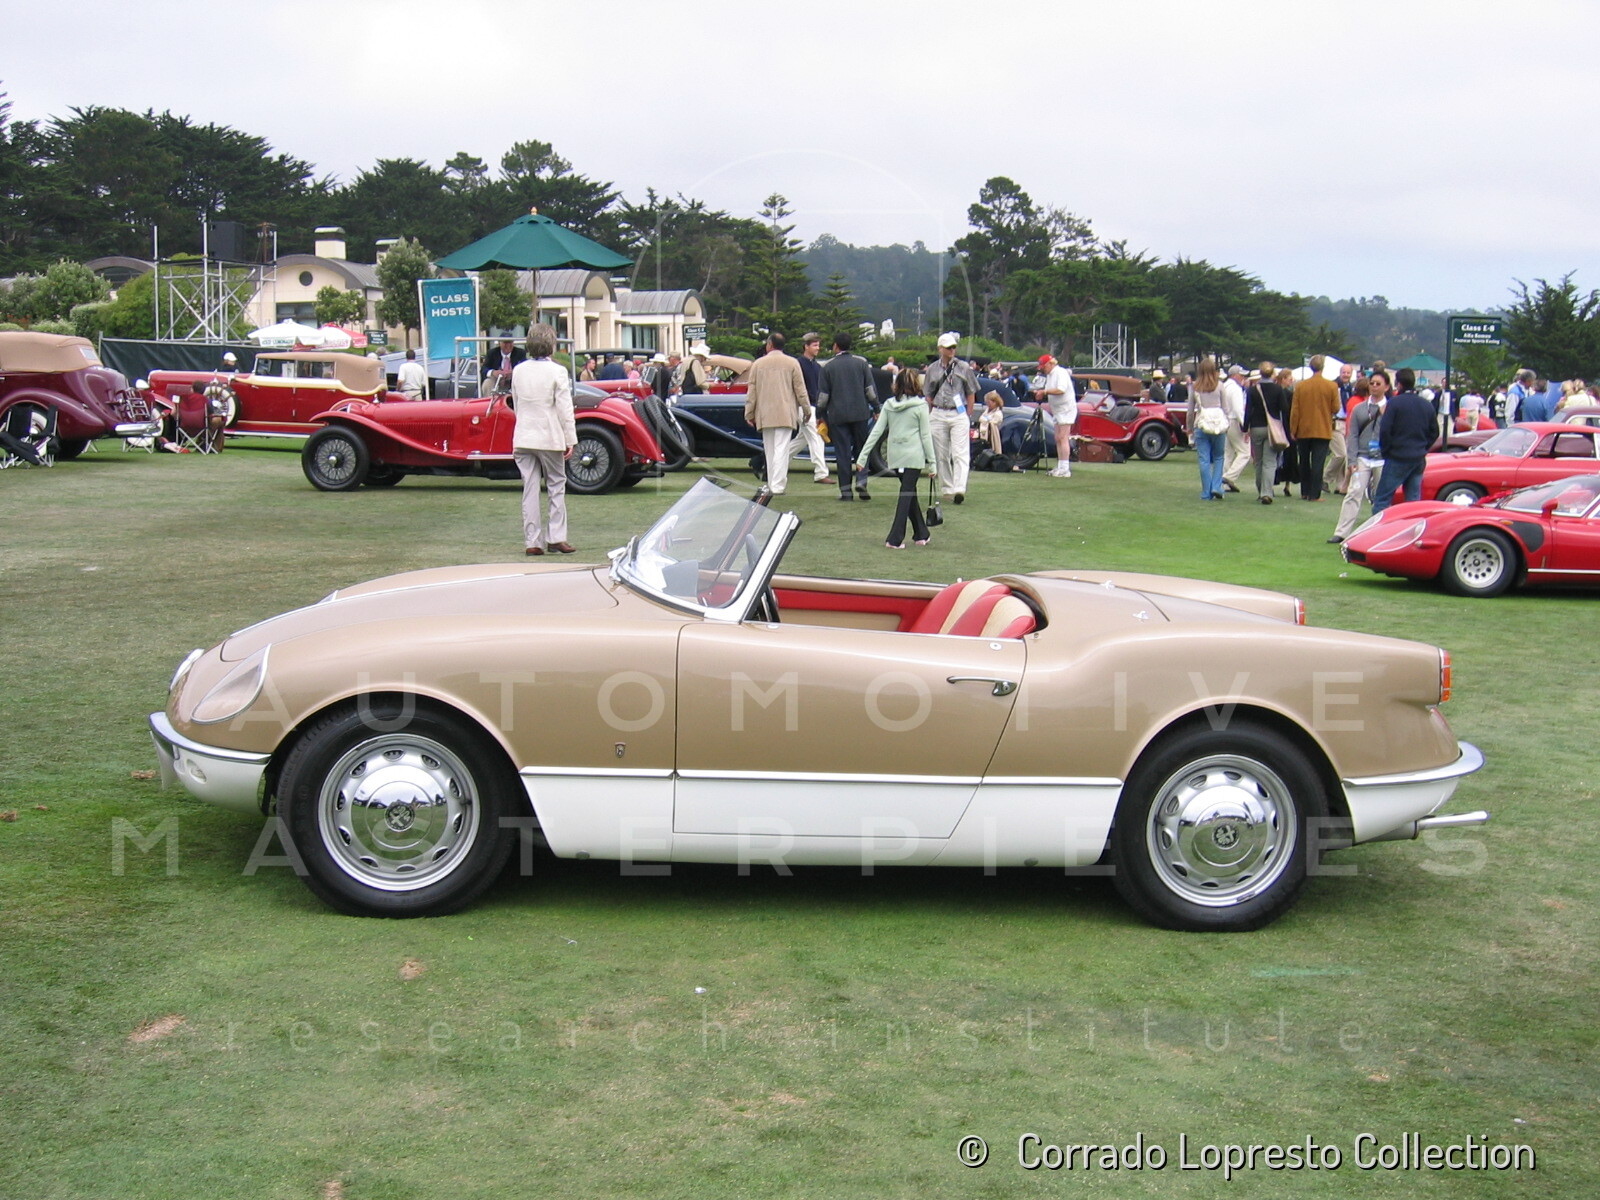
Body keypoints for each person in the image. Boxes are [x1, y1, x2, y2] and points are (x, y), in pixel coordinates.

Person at [510, 325, 577, 556]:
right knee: (556, 485)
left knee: (529, 488)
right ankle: (556, 537)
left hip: (524, 434)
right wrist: (570, 438)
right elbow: (564, 409)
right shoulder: (558, 371)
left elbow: (516, 403)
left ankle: (532, 541)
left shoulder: (518, 370)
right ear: (551, 345)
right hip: (549, 435)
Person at [858, 367, 936, 549]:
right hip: (913, 455)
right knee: (907, 493)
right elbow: (926, 436)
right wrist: (932, 463)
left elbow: (876, 432)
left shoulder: (888, 404)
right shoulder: (921, 406)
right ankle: (895, 538)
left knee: (909, 491)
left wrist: (862, 456)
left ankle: (921, 533)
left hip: (895, 455)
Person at [743, 332, 811, 495]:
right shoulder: (792, 363)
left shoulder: (758, 364)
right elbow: (800, 390)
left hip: (765, 413)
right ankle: (778, 485)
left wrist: (749, 412)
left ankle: (772, 483)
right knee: (782, 449)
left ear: (770, 344)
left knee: (770, 449)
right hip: (785, 412)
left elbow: (751, 392)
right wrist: (806, 409)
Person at [818, 331, 878, 500]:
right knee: (862, 449)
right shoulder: (861, 363)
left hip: (837, 415)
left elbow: (823, 396)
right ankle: (862, 480)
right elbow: (870, 390)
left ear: (835, 346)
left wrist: (819, 413)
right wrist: (876, 408)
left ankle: (846, 492)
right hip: (860, 413)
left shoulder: (828, 367)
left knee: (842, 453)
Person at [922, 333, 977, 503]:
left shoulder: (964, 367)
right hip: (938, 412)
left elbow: (971, 392)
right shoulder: (932, 369)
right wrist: (930, 412)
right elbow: (928, 393)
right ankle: (947, 488)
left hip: (957, 412)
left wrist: (968, 413)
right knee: (941, 454)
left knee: (960, 453)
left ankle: (959, 488)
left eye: (953, 347)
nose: (952, 350)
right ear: (940, 349)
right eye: (948, 347)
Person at [1329, 375, 1384, 543]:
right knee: (1354, 493)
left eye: (1378, 383)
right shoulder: (1360, 409)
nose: (1374, 386)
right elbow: (1352, 435)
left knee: (1381, 496)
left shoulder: (1391, 408)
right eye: (1372, 383)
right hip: (1362, 457)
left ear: (1386, 387)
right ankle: (1342, 532)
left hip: (1383, 458)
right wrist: (1352, 460)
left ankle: (1381, 532)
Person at [1372, 368, 1434, 513]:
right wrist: (1424, 447)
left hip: (1397, 456)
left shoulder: (1394, 403)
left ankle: (1379, 526)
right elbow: (1434, 431)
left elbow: (1385, 430)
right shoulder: (1426, 404)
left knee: (1382, 499)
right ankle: (1411, 525)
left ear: (1398, 384)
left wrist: (1386, 450)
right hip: (1418, 456)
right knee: (1413, 500)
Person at [1290, 355, 1341, 501]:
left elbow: (1295, 410)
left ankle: (1304, 491)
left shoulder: (1301, 386)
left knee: (1304, 461)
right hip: (1322, 429)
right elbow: (1336, 408)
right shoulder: (1331, 386)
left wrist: (1293, 429)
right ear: (1323, 367)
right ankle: (1314, 494)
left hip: (1304, 429)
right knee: (1318, 463)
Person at [1186, 356, 1230, 500]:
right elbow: (1225, 408)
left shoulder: (1195, 387)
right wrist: (1227, 423)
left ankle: (1206, 491)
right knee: (1219, 457)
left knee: (1204, 459)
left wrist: (1189, 428)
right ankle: (1216, 486)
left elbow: (1190, 410)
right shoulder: (1220, 385)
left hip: (1201, 424)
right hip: (1218, 425)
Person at [1244, 362, 1287, 504]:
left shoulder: (1252, 390)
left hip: (1256, 427)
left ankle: (1260, 490)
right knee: (1270, 462)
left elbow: (1248, 410)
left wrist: (1245, 427)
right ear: (1272, 373)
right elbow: (1284, 408)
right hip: (1272, 428)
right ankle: (1267, 492)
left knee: (1259, 461)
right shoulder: (1277, 389)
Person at [793, 333, 833, 485]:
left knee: (801, 441)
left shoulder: (816, 366)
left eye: (818, 345)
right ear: (806, 346)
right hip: (803, 406)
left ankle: (770, 462)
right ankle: (821, 473)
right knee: (817, 438)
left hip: (813, 407)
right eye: (815, 345)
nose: (818, 348)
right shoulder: (798, 364)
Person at [1030, 352, 1077, 478]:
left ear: (1051, 364)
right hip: (1057, 410)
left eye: (1044, 366)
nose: (1043, 369)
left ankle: (1065, 469)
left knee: (1063, 437)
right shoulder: (1050, 375)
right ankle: (1061, 466)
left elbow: (1061, 390)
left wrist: (1044, 392)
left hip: (1066, 409)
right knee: (1058, 438)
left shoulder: (1060, 373)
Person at [1220, 363, 1251, 491]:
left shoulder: (1224, 386)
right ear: (1235, 375)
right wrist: (1246, 426)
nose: (1243, 378)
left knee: (1228, 453)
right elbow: (1239, 411)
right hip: (1235, 421)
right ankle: (1228, 477)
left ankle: (1224, 483)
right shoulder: (1235, 389)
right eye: (1241, 375)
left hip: (1225, 421)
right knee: (1245, 453)